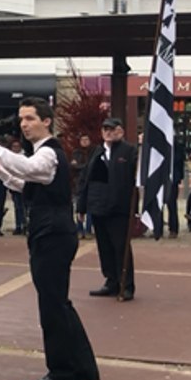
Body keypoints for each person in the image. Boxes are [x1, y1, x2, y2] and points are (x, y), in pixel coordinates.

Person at [0, 98, 100, 380]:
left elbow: (29, 169)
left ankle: (61, 372)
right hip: (49, 233)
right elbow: (26, 184)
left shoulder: (49, 154)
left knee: (52, 305)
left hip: (53, 234)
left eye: (30, 118)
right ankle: (78, 367)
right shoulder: (44, 156)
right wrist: (0, 169)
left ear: (46, 121)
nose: (24, 124)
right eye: (21, 119)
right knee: (58, 303)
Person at [75, 118, 138, 300]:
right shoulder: (97, 151)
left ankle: (126, 285)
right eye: (106, 129)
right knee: (105, 248)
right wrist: (82, 206)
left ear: (121, 131)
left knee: (121, 248)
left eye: (112, 129)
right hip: (98, 207)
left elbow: (138, 173)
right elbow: (86, 179)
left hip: (119, 209)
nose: (109, 133)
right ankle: (111, 281)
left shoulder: (129, 151)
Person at [69, 134, 94, 239]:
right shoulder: (76, 153)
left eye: (86, 139)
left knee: (90, 209)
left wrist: (81, 166)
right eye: (82, 139)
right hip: (78, 184)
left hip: (90, 183)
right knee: (79, 208)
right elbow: (73, 166)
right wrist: (84, 166)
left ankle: (88, 230)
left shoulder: (93, 152)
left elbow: (92, 166)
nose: (84, 141)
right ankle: (79, 230)